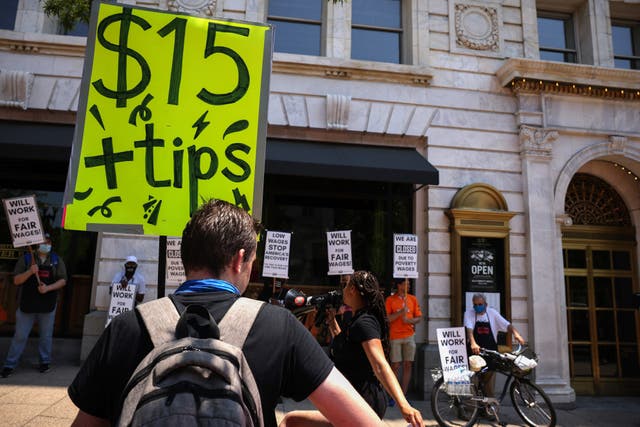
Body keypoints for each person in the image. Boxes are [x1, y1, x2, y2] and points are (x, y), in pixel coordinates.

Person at [68, 199, 383, 427]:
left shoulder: (127, 326)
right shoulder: (279, 327)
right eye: (252, 263)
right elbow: (362, 421)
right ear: (240, 260)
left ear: (185, 256)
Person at [280, 271, 424, 427]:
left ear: (353, 290)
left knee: (291, 421)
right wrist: (332, 322)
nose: (343, 290)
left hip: (363, 402)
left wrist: (403, 405)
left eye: (346, 285)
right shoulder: (358, 319)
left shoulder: (365, 322)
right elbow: (348, 346)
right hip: (355, 400)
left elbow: (380, 365)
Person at [1, 233, 67, 377]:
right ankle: (9, 365)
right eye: (43, 242)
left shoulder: (56, 260)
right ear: (37, 244)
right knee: (20, 336)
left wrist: (48, 288)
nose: (46, 245)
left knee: (45, 336)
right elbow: (16, 281)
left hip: (47, 305)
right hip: (27, 305)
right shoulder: (26, 259)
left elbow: (63, 281)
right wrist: (30, 272)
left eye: (48, 242)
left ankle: (44, 362)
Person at [464, 292, 525, 398]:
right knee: (474, 381)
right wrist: (473, 343)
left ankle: (489, 409)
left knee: (489, 382)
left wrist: (516, 334)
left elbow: (506, 325)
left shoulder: (492, 313)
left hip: (490, 352)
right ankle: (471, 409)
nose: (477, 307)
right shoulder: (468, 313)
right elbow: (469, 329)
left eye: (480, 304)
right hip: (475, 352)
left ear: (485, 304)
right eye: (475, 305)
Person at [385, 278, 422, 397]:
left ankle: (403, 394)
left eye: (409, 283)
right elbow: (387, 319)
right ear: (399, 285)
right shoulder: (390, 300)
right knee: (395, 365)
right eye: (406, 283)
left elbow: (419, 318)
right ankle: (393, 394)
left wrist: (409, 320)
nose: (409, 285)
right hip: (395, 336)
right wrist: (400, 313)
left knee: (408, 364)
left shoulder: (412, 299)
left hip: (409, 336)